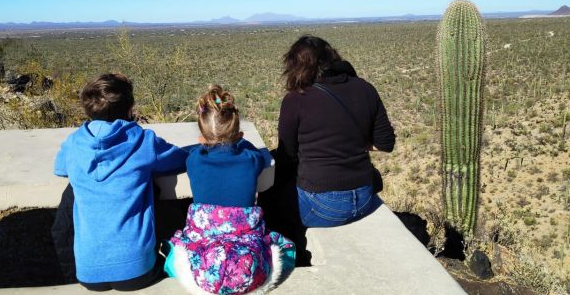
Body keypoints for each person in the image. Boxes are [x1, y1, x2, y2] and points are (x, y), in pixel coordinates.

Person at [52, 73, 189, 291]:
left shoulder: (73, 144)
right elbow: (180, 160)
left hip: (88, 273)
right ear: (129, 108)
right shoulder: (143, 141)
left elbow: (59, 168)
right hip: (138, 270)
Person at [262, 35, 395, 258]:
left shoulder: (296, 99)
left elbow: (288, 157)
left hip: (321, 206)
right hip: (363, 199)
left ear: (295, 66)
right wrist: (351, 141)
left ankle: (290, 259)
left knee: (267, 200)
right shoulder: (365, 88)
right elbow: (386, 143)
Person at [164, 85, 296, 294]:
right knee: (285, 248)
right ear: (240, 134)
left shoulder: (195, 160)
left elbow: (192, 153)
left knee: (174, 248)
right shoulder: (250, 160)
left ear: (201, 139)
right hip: (246, 259)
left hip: (204, 262)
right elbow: (260, 156)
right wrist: (240, 142)